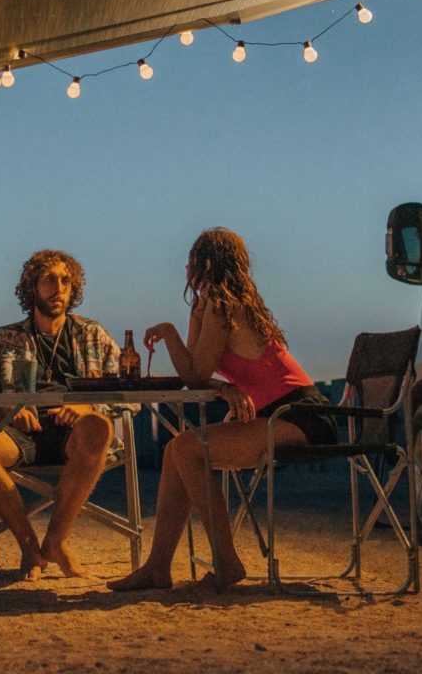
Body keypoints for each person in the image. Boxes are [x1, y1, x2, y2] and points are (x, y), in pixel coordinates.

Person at [110, 227, 336, 591]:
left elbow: (195, 375)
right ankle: (157, 567)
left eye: (190, 260)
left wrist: (169, 331)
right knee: (175, 451)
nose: (184, 267)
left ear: (206, 263)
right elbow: (196, 376)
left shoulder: (221, 303)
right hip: (280, 415)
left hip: (301, 415)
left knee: (186, 448)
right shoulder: (210, 305)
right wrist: (226, 386)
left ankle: (226, 562)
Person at [0, 249, 137, 581]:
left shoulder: (92, 335)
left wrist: (89, 407)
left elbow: (130, 395)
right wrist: (10, 410)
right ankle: (30, 546)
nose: (59, 288)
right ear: (32, 288)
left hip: (75, 433)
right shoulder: (3, 339)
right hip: (21, 433)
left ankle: (56, 540)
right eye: (49, 280)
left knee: (98, 428)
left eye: (65, 281)